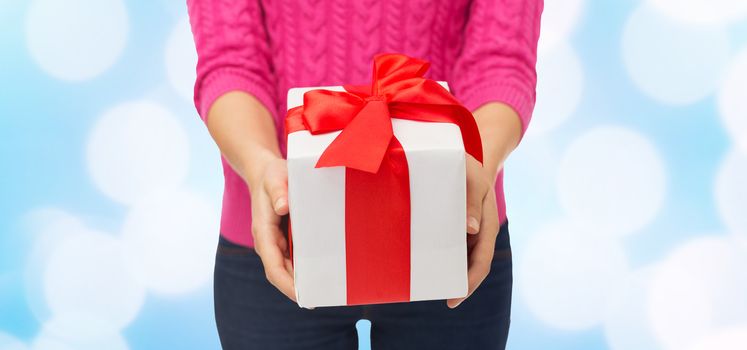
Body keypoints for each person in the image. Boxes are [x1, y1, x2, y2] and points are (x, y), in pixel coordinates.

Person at [187, 1, 542, 349]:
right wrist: (259, 164)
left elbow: (502, 59)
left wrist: (480, 162)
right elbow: (229, 60)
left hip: (452, 231)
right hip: (280, 238)